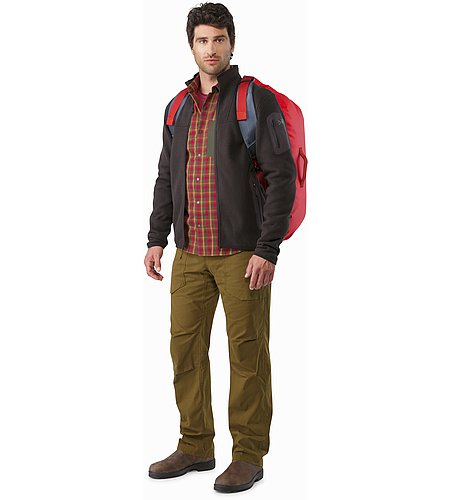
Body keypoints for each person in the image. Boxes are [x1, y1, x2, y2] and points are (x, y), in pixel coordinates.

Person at [144, 2, 296, 494]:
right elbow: (167, 176)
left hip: (242, 254)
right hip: (189, 253)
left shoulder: (254, 100)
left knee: (247, 355)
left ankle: (248, 455)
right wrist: (156, 238)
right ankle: (195, 444)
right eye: (202, 41)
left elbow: (282, 177)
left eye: (218, 39)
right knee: (184, 349)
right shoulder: (178, 107)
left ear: (232, 43)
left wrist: (267, 249)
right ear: (191, 47)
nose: (210, 49)